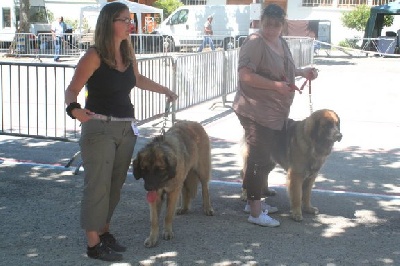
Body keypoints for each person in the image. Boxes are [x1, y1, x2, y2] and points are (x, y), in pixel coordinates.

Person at [64, 2, 178, 262]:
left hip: (126, 128)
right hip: (100, 128)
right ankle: (93, 244)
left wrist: (166, 91)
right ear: (108, 23)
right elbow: (72, 89)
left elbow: (137, 79)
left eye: (130, 20)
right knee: (98, 186)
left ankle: (104, 233)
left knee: (115, 186)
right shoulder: (94, 55)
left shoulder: (127, 52)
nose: (130, 24)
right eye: (124, 20)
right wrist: (75, 110)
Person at [232, 4, 318, 227]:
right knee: (259, 159)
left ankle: (252, 201)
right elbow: (245, 76)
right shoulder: (254, 42)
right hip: (255, 109)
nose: (271, 29)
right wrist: (276, 86)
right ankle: (255, 212)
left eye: (276, 25)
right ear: (261, 21)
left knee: (262, 157)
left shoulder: (281, 42)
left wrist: (302, 72)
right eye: (267, 24)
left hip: (275, 112)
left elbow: (286, 71)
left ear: (282, 24)